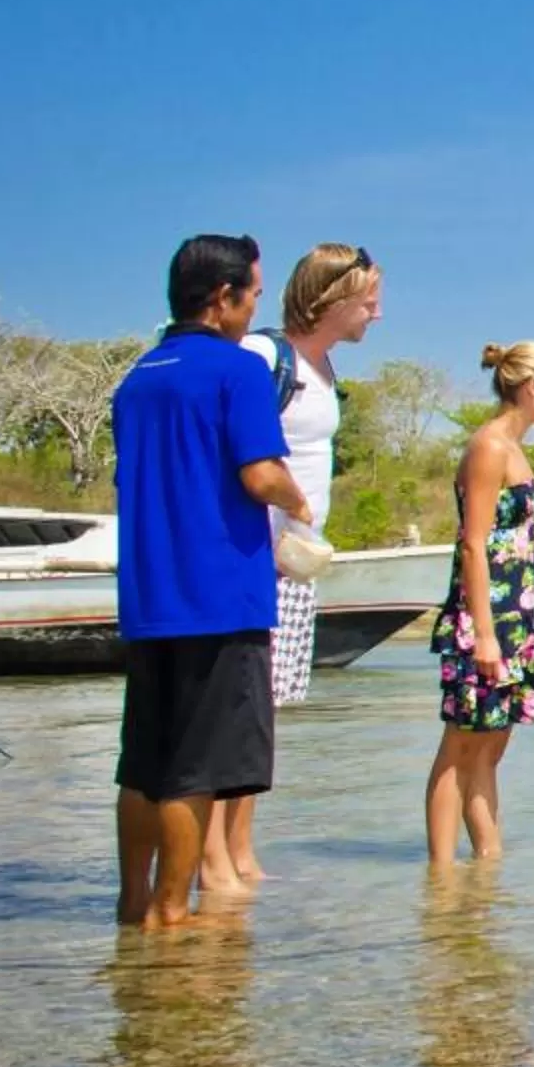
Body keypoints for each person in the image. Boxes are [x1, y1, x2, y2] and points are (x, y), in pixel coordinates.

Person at [110, 235, 309, 929]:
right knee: (197, 769)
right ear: (222, 298)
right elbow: (258, 474)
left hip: (148, 599)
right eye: (252, 295)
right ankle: (174, 916)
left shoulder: (138, 376)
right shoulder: (237, 371)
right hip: (219, 598)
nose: (255, 308)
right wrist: (297, 498)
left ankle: (134, 906)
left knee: (143, 766)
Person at [198, 242, 384, 896]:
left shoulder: (325, 367)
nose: (377, 314)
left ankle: (241, 846)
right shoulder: (264, 358)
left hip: (296, 565)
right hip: (255, 563)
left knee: (266, 710)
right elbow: (232, 457)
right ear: (334, 296)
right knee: (237, 707)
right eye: (370, 299)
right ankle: (211, 853)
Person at [425, 340, 534, 864]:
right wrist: (483, 634)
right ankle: (440, 875)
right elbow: (474, 542)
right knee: (460, 746)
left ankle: (487, 861)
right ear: (532, 387)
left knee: (491, 747)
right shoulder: (489, 446)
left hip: (519, 618)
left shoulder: (516, 447)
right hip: (488, 617)